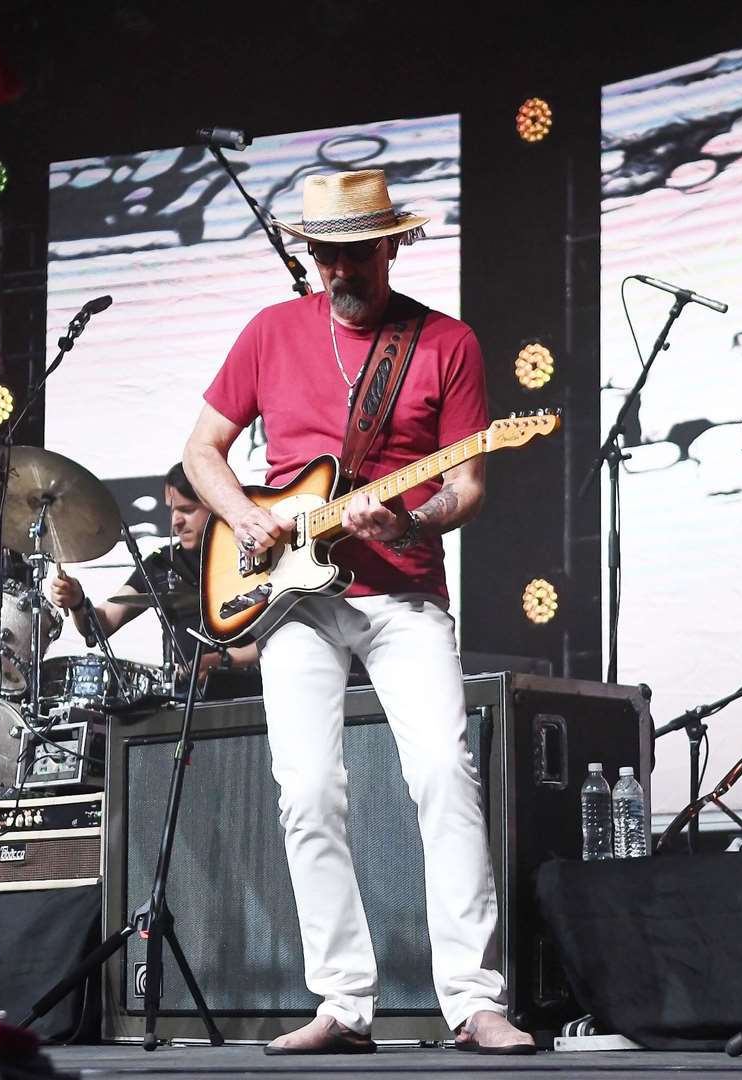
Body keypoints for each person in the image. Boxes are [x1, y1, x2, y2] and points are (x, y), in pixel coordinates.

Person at [182, 169, 534, 1055]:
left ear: (393, 244)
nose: (340, 269)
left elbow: (469, 486)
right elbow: (202, 449)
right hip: (292, 594)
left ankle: (474, 1002)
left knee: (444, 778)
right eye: (326, 253)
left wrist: (408, 515)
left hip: (402, 588)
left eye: (356, 252)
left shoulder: (446, 342)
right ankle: (342, 1003)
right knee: (305, 793)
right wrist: (243, 515)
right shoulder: (271, 331)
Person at [46, 461, 258, 681]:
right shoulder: (162, 563)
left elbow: (283, 632)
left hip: (250, 691)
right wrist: (78, 602)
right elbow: (100, 625)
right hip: (188, 697)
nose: (176, 521)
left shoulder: (251, 554)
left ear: (216, 505)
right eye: (172, 510)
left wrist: (226, 659)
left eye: (187, 510)